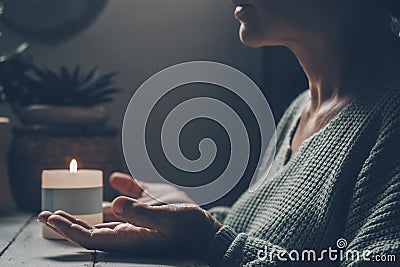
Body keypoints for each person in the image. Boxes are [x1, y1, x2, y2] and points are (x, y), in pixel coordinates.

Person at [38, 0, 400, 266]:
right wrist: (189, 220)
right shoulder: (300, 108)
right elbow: (264, 238)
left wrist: (211, 239)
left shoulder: (392, 115)